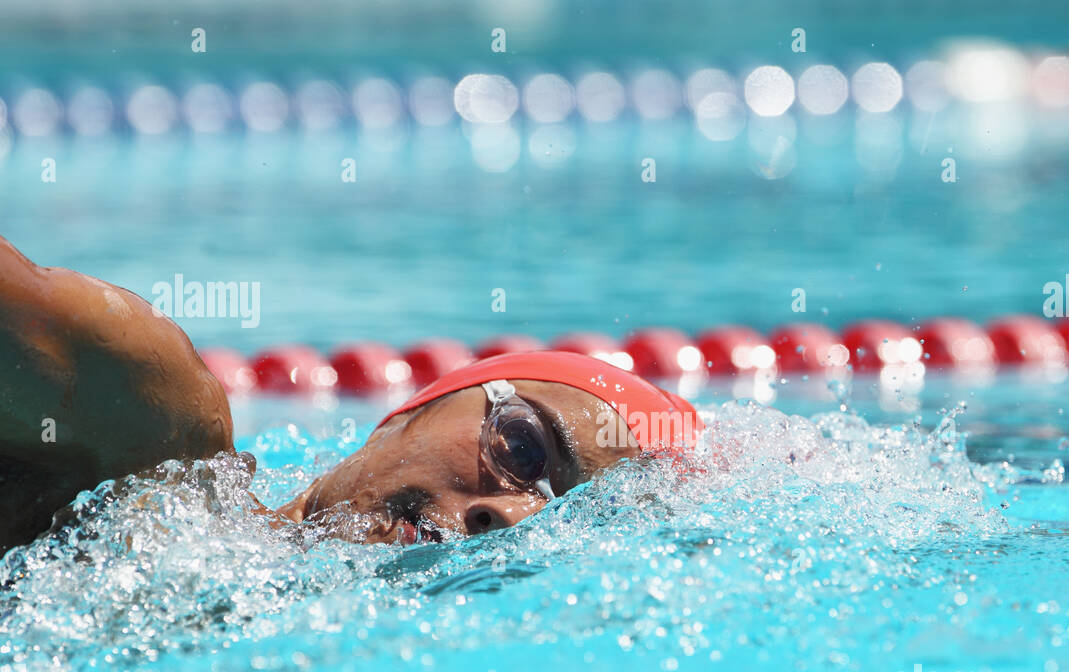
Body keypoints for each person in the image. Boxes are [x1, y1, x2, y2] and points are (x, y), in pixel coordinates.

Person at [0, 234, 699, 552]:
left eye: (553, 520)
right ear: (413, 408)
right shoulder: (140, 423)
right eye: (522, 446)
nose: (510, 515)